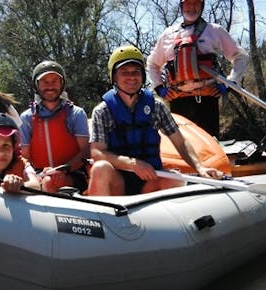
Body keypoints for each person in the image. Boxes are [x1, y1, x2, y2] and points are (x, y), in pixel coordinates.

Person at [87, 45, 223, 196]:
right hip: (118, 182)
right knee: (100, 168)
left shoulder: (156, 106)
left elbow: (180, 142)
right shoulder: (102, 111)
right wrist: (133, 164)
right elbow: (97, 152)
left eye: (136, 72)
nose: (131, 77)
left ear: (143, 76)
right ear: (114, 77)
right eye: (124, 72)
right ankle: (103, 216)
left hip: (149, 179)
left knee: (174, 178)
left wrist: (200, 167)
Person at [147, 0, 249, 138]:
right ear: (182, 6)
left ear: (202, 6)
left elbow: (240, 56)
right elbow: (152, 63)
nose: (192, 7)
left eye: (196, 3)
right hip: (178, 103)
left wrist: (229, 84)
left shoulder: (214, 31)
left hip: (207, 102)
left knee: (210, 148)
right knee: (183, 149)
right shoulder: (168, 34)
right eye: (188, 3)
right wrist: (159, 88)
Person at [19, 61, 90, 193]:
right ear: (36, 85)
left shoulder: (76, 114)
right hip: (38, 174)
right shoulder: (26, 118)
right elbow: (25, 157)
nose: (50, 86)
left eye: (54, 81)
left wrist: (62, 170)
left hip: (72, 172)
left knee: (49, 181)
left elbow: (85, 152)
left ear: (62, 84)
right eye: (44, 81)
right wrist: (37, 175)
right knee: (41, 182)